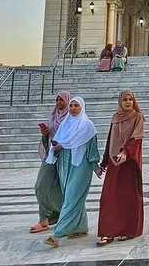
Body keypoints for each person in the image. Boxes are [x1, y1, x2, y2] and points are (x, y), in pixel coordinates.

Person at [44, 96, 100, 248]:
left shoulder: (87, 126)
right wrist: (56, 147)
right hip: (64, 166)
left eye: (76, 106)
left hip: (81, 167)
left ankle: (57, 234)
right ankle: (80, 227)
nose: (73, 108)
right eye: (71, 106)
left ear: (82, 107)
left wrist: (95, 166)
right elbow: (55, 144)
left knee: (71, 199)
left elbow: (92, 149)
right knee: (73, 198)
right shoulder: (65, 124)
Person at [96, 90, 145, 245]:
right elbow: (110, 141)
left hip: (129, 164)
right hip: (114, 161)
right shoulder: (115, 118)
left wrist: (126, 152)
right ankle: (107, 232)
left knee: (128, 197)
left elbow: (136, 138)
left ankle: (128, 230)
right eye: (125, 100)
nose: (128, 102)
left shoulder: (138, 117)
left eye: (130, 99)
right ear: (120, 102)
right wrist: (103, 164)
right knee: (108, 197)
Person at [30, 91, 70, 233]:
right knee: (41, 186)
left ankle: (58, 216)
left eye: (62, 100)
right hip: (51, 155)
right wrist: (45, 134)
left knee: (60, 188)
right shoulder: (53, 116)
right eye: (57, 99)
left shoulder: (71, 117)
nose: (59, 102)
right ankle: (44, 218)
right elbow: (49, 137)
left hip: (65, 156)